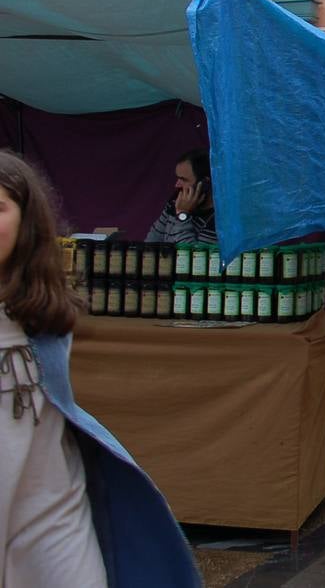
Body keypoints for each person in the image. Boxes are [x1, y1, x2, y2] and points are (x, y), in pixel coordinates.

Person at [0, 150, 200, 586]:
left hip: (51, 516)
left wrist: (186, 221)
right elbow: (153, 244)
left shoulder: (41, 317)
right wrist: (176, 216)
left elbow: (184, 262)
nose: (178, 188)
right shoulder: (171, 211)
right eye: (176, 180)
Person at [146, 149, 217, 244]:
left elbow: (191, 256)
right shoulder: (176, 200)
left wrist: (183, 215)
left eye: (183, 180)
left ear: (205, 183)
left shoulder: (219, 219)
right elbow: (152, 241)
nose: (177, 185)